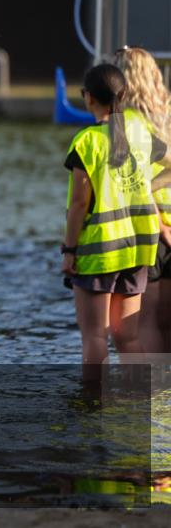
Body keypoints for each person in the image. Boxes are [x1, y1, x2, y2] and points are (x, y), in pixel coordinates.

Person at [62, 64, 168, 383]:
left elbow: (79, 204)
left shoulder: (86, 142)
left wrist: (69, 250)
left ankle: (93, 406)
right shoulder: (139, 130)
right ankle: (140, 400)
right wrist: (149, 188)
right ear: (122, 96)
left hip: (99, 249)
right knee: (128, 336)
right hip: (138, 248)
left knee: (94, 336)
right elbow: (169, 164)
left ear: (88, 97)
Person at [115, 46, 171, 353]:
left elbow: (134, 183)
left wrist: (157, 214)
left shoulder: (127, 123)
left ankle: (147, 399)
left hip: (152, 228)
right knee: (167, 323)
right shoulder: (167, 114)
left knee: (143, 323)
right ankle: (164, 398)